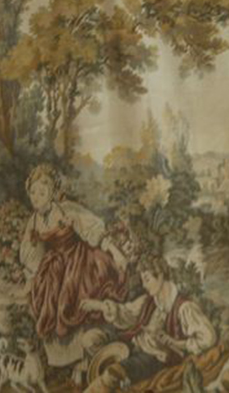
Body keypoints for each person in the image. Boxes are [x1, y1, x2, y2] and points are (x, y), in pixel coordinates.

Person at [19, 164, 129, 370]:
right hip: (54, 266)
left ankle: (87, 358)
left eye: (42, 192)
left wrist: (115, 252)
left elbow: (92, 230)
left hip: (78, 259)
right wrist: (31, 279)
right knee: (48, 300)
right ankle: (67, 362)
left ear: (52, 193)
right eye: (33, 192)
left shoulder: (66, 210)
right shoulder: (33, 222)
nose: (36, 197)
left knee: (74, 297)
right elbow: (33, 256)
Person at [80, 255, 217, 392]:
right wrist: (100, 306)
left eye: (147, 279)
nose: (144, 285)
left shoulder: (184, 308)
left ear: (160, 276)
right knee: (90, 339)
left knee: (111, 374)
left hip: (153, 357)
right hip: (132, 343)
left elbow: (208, 338)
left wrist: (176, 343)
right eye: (143, 281)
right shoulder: (149, 300)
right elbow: (126, 313)